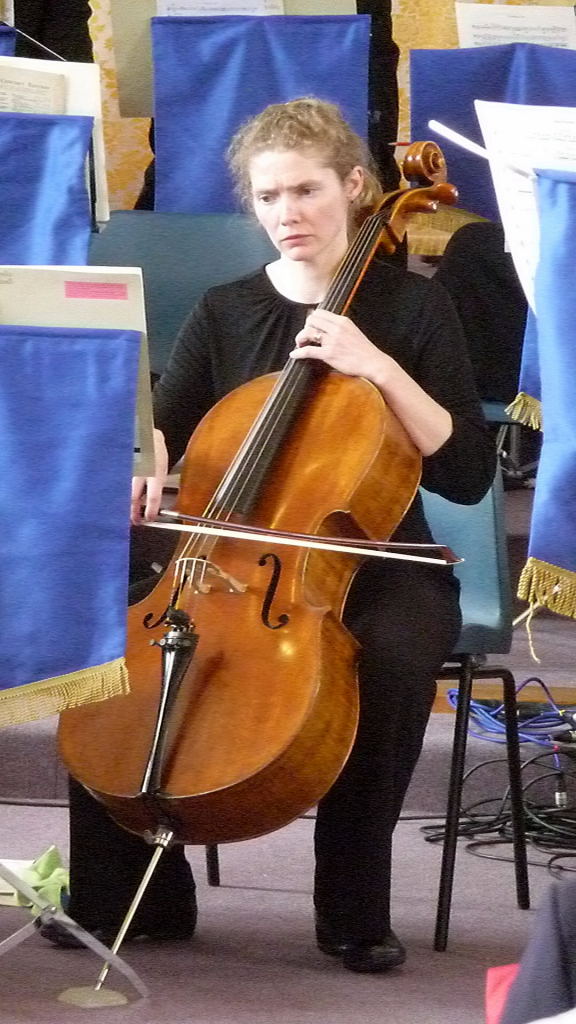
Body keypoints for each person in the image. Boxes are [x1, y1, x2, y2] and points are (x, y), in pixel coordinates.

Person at [45, 97, 496, 973]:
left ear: (356, 187)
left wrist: (376, 365)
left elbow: (467, 472)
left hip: (374, 556)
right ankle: (131, 896)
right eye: (268, 196)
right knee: (98, 622)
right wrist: (145, 455)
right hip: (224, 551)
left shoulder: (414, 309)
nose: (287, 212)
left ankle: (352, 909)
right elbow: (165, 426)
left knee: (393, 656)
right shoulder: (227, 309)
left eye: (306, 190)